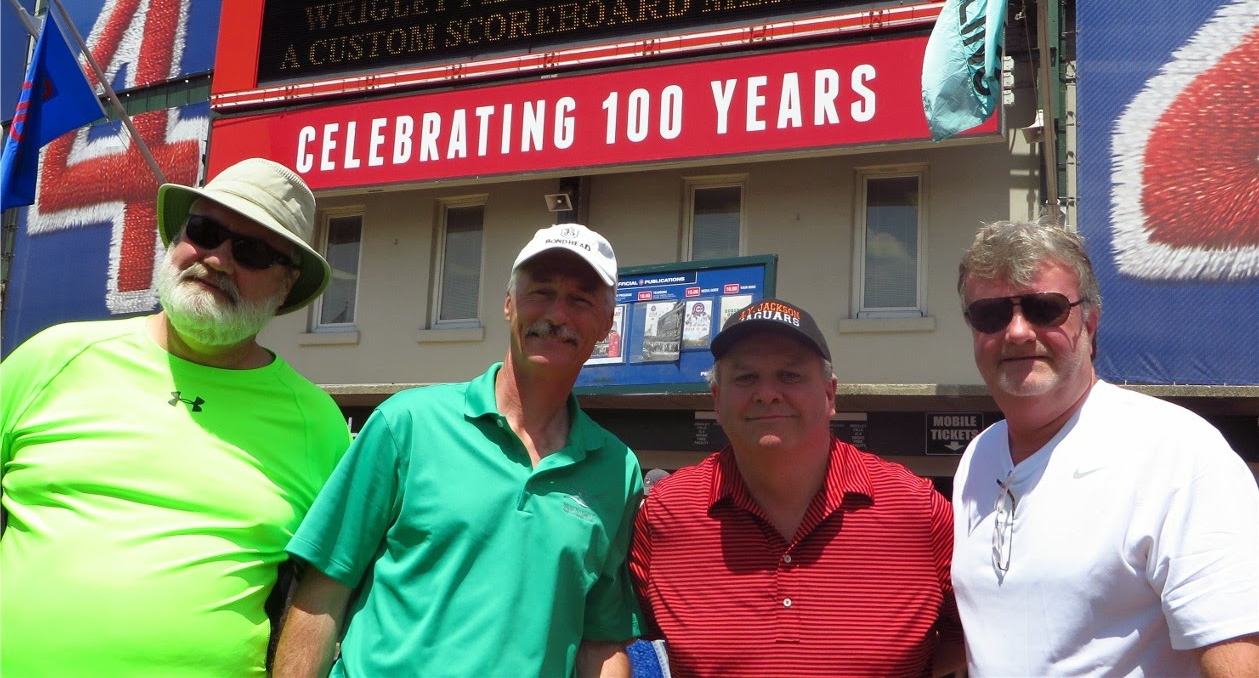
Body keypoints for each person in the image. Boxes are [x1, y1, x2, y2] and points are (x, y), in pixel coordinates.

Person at [0, 157, 351, 678]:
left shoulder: (318, 424)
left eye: (252, 251)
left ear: (286, 284)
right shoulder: (53, 358)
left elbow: (328, 592)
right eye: (206, 231)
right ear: (177, 238)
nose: (217, 259)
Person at [273, 222, 643, 678]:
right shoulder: (406, 424)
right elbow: (322, 594)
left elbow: (600, 641)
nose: (557, 314)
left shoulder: (617, 470)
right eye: (540, 292)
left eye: (580, 300)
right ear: (508, 304)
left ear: (606, 323)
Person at [953, 220, 1259, 678]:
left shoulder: (1176, 453)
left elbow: (1237, 657)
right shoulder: (978, 457)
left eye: (1044, 308)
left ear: (1089, 324)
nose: (1017, 332)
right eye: (991, 314)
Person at [630, 298, 963, 678]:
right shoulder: (666, 514)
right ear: (717, 401)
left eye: (790, 375)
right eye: (745, 377)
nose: (767, 393)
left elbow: (966, 640)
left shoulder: (919, 511)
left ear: (830, 395)